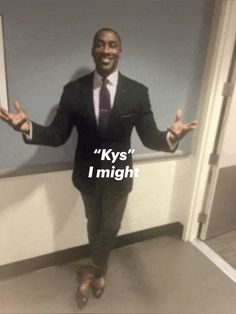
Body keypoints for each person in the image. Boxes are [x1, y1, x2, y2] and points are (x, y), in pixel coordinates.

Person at [0, 28, 197, 306]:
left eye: (112, 45)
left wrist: (171, 137)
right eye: (100, 45)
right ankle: (98, 269)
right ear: (93, 50)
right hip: (87, 174)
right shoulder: (73, 91)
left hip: (118, 172)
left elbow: (149, 135)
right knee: (94, 223)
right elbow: (58, 135)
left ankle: (94, 270)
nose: (106, 50)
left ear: (120, 51)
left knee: (111, 226)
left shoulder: (138, 92)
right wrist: (27, 127)